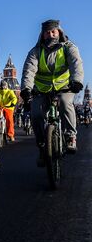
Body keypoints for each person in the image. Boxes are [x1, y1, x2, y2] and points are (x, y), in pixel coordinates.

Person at [20, 19, 84, 164]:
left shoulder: (69, 47)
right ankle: (43, 147)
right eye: (47, 32)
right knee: (35, 114)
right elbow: (29, 70)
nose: (51, 35)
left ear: (59, 32)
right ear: (42, 35)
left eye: (53, 31)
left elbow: (76, 64)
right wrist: (26, 89)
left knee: (65, 103)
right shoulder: (36, 51)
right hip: (41, 90)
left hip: (65, 87)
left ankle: (70, 137)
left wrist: (77, 81)